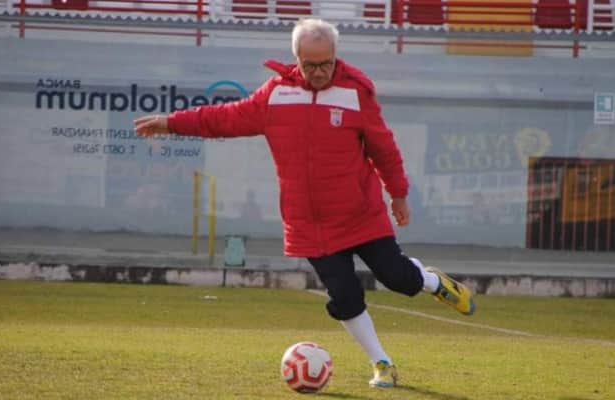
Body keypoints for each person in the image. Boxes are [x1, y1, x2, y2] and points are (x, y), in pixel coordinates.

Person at [134, 18, 475, 389]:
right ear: (296, 59)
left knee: (396, 278)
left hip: (361, 213)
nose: (319, 72)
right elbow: (225, 118)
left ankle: (433, 282)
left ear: (335, 56)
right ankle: (381, 362)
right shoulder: (275, 94)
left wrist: (398, 194)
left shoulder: (355, 92)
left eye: (326, 63)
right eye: (310, 65)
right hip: (310, 224)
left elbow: (384, 148)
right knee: (345, 297)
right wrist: (171, 122)